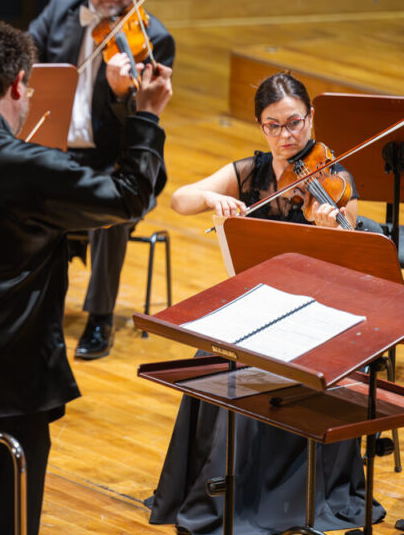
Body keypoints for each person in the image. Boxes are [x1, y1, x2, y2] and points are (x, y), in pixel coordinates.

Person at [0, 21, 172, 534]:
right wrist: (146, 115)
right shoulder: (28, 167)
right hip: (6, 386)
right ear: (18, 84)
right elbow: (129, 196)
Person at [149, 72, 378, 535]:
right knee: (210, 357)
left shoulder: (335, 179)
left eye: (294, 123)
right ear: (260, 126)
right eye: (273, 126)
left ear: (311, 118)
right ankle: (220, 487)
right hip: (260, 305)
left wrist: (329, 224)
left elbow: (350, 250)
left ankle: (264, 498)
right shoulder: (251, 172)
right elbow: (178, 199)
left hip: (316, 316)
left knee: (258, 362)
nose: (286, 136)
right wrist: (216, 197)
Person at [28, 0, 176, 360]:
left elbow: (142, 129)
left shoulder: (152, 38)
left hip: (114, 160)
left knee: (112, 206)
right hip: (52, 152)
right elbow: (25, 58)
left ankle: (100, 318)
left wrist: (119, 94)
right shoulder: (59, 9)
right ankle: (33, 308)